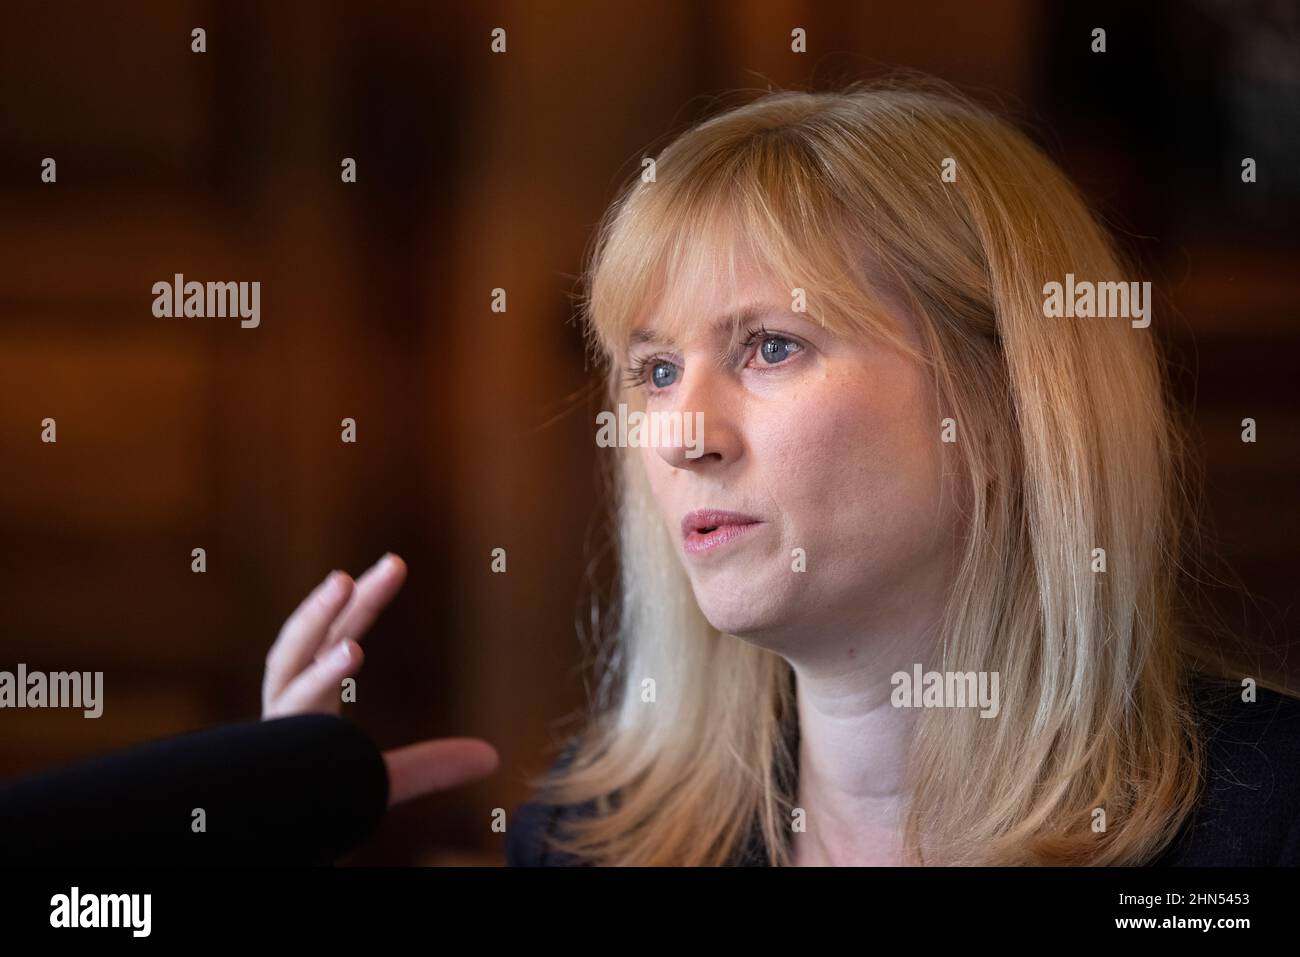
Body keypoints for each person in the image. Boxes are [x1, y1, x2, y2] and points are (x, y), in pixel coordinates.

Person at [261, 79, 1300, 867]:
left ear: (1005, 403)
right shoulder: (585, 845)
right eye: (656, 370)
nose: (679, 437)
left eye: (768, 347)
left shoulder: (1262, 821)